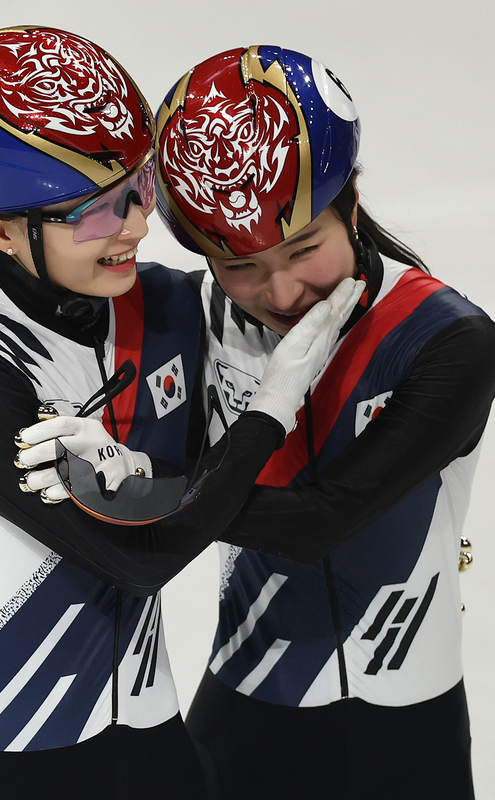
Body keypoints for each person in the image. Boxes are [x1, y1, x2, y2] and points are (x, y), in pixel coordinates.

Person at [0, 29, 361, 800]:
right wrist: (269, 409)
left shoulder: (165, 305)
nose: (132, 225)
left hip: (153, 749)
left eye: (140, 187)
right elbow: (142, 557)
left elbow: (350, 325)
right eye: (95, 213)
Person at [153, 46, 495, 799]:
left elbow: (321, 520)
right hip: (245, 705)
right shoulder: (184, 319)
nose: (278, 290)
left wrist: (136, 501)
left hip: (407, 723)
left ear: (352, 204)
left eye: (304, 248)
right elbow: (35, 385)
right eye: (239, 264)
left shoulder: (445, 338)